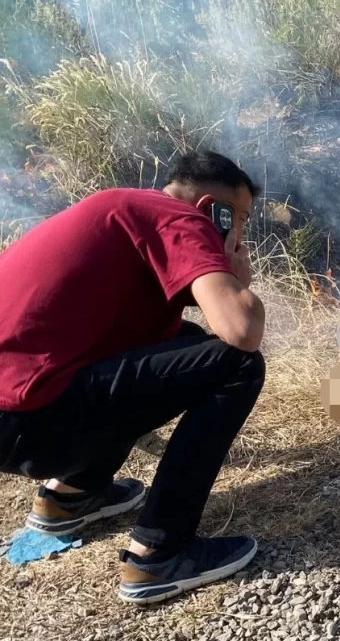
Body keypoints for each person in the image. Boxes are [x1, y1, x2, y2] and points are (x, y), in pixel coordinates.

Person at [0, 150, 267, 604]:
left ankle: (72, 496)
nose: (240, 234)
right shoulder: (181, 218)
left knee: (177, 342)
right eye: (239, 219)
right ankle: (159, 554)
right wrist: (238, 281)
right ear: (212, 209)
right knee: (237, 364)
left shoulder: (125, 208)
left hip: (18, 413)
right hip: (31, 417)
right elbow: (241, 331)